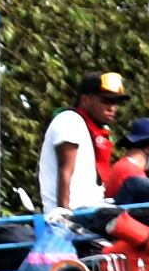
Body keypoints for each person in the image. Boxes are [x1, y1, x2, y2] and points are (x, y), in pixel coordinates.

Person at [34, 69, 124, 221]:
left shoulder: (94, 131)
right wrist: (64, 215)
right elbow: (65, 169)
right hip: (76, 213)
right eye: (105, 101)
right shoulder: (70, 120)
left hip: (91, 209)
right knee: (135, 186)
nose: (112, 107)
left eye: (115, 102)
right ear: (85, 100)